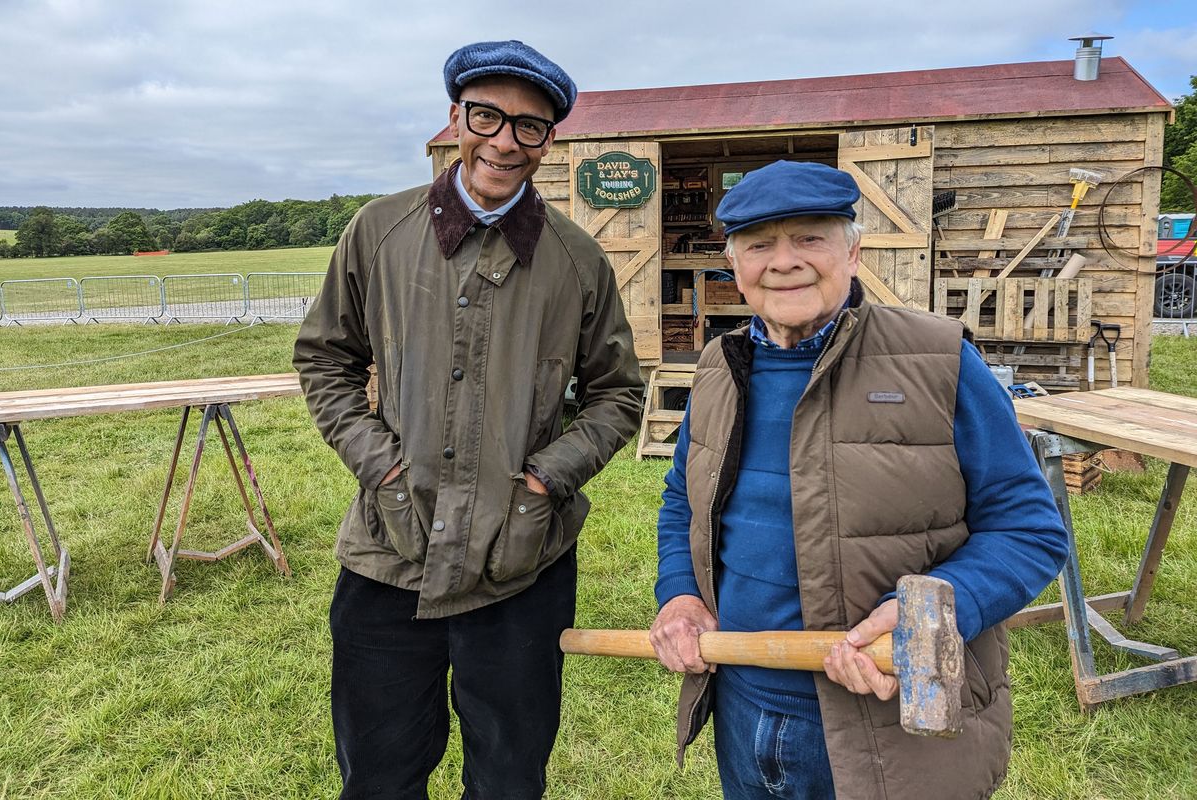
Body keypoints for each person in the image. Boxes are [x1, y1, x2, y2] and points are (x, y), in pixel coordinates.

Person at [649, 160, 1069, 799]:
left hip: (882, 708)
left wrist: (927, 613)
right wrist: (680, 595)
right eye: (760, 245)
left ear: (854, 251)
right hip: (740, 694)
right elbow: (682, 500)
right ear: (734, 266)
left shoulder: (938, 359)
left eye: (809, 238)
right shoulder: (717, 366)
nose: (784, 262)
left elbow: (1029, 528)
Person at [293, 40, 643, 800]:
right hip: (390, 553)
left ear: (550, 140)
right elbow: (324, 359)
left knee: (510, 778)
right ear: (455, 117)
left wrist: (548, 479)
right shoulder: (378, 232)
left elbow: (619, 393)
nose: (504, 142)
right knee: (379, 775)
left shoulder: (578, 261)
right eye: (487, 116)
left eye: (530, 127)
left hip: (522, 563)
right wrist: (380, 464)